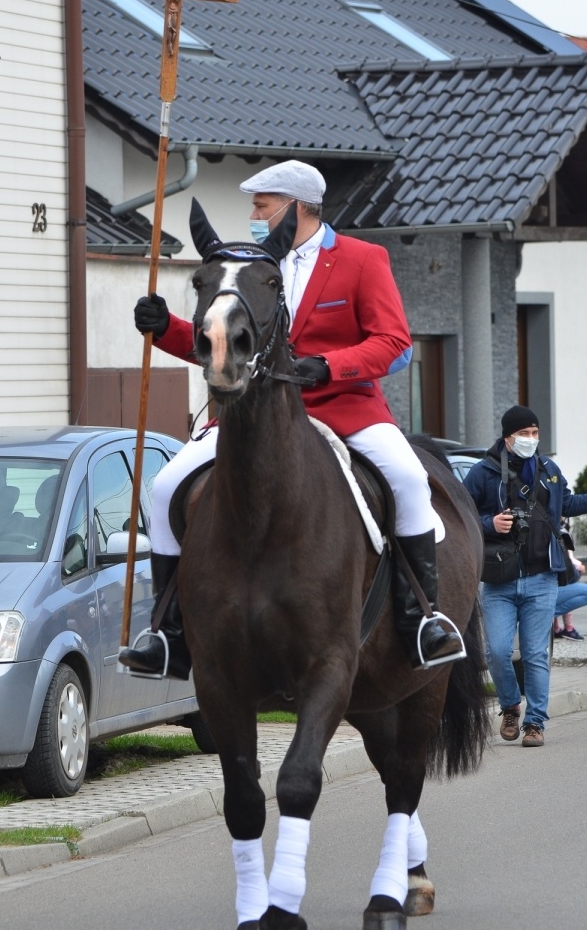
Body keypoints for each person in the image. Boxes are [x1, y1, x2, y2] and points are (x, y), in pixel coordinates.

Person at [123, 159, 466, 679]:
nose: (253, 216)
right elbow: (231, 346)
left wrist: (329, 365)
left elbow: (395, 345)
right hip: (258, 417)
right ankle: (168, 633)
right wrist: (164, 327)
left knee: (409, 480)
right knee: (166, 485)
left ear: (294, 207)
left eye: (261, 206)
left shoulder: (362, 259)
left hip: (346, 408)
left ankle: (423, 617)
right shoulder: (252, 266)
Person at [463, 405, 587, 748]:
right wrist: (489, 524)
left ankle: (535, 723)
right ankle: (510, 706)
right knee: (496, 652)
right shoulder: (483, 472)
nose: (531, 439)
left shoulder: (548, 469)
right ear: (508, 437)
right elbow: (460, 515)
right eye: (524, 433)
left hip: (541, 579)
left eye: (535, 433)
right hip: (499, 581)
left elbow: (569, 504)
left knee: (535, 654)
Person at [552, 528, 587, 639]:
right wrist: (579, 568)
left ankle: (555, 627)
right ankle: (567, 627)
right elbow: (569, 563)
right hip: (548, 588)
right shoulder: (560, 532)